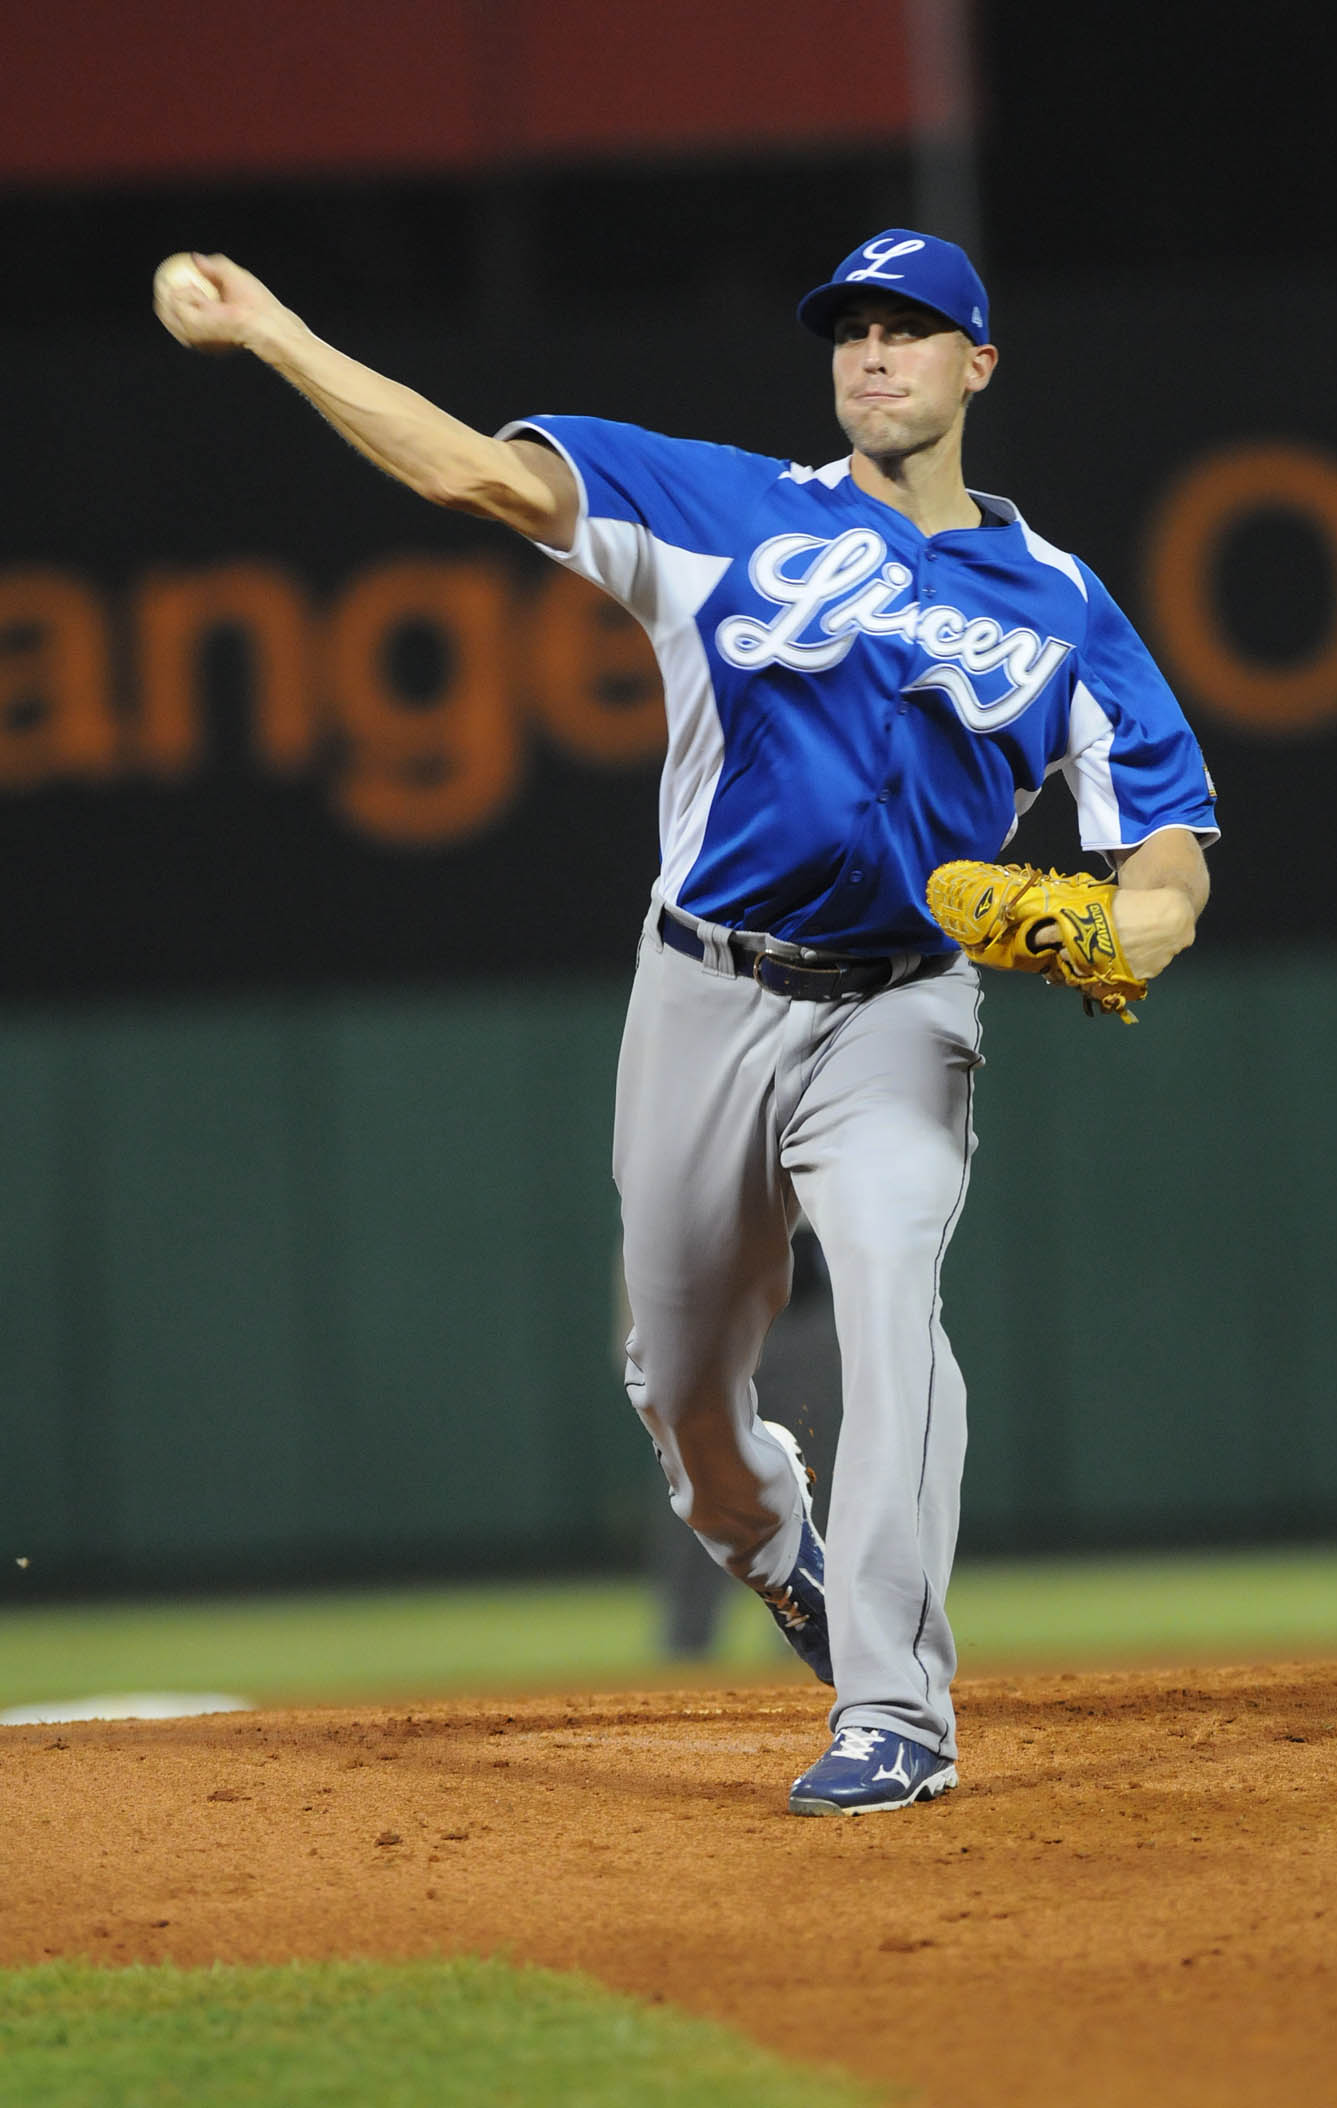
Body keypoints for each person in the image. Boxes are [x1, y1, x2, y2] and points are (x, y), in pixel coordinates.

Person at [154, 229, 1216, 1815]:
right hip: (702, 990)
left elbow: (1172, 865)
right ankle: (769, 1546)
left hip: (902, 1011)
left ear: (977, 363)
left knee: (889, 1303)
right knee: (681, 1398)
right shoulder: (726, 508)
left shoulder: (1061, 605)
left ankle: (895, 1713)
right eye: (852, 329)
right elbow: (473, 477)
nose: (874, 354)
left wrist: (1104, 931)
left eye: (913, 330)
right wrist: (283, 334)